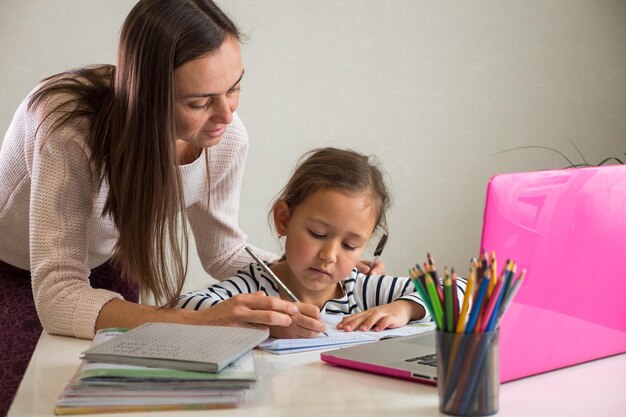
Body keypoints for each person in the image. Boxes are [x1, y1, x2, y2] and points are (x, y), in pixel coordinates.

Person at [0, 1, 384, 413]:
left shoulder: (226, 140)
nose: (226, 115)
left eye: (234, 87)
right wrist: (203, 324)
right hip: (14, 271)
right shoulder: (67, 128)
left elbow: (224, 253)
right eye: (200, 102)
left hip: (100, 267)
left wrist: (313, 271)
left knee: (118, 403)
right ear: (147, 98)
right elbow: (58, 297)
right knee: (35, 401)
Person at [178, 147, 468, 338]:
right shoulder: (256, 287)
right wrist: (268, 324)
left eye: (350, 246)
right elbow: (184, 307)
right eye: (317, 234)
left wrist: (404, 308)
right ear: (283, 219)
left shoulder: (360, 288)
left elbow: (461, 290)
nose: (329, 255)